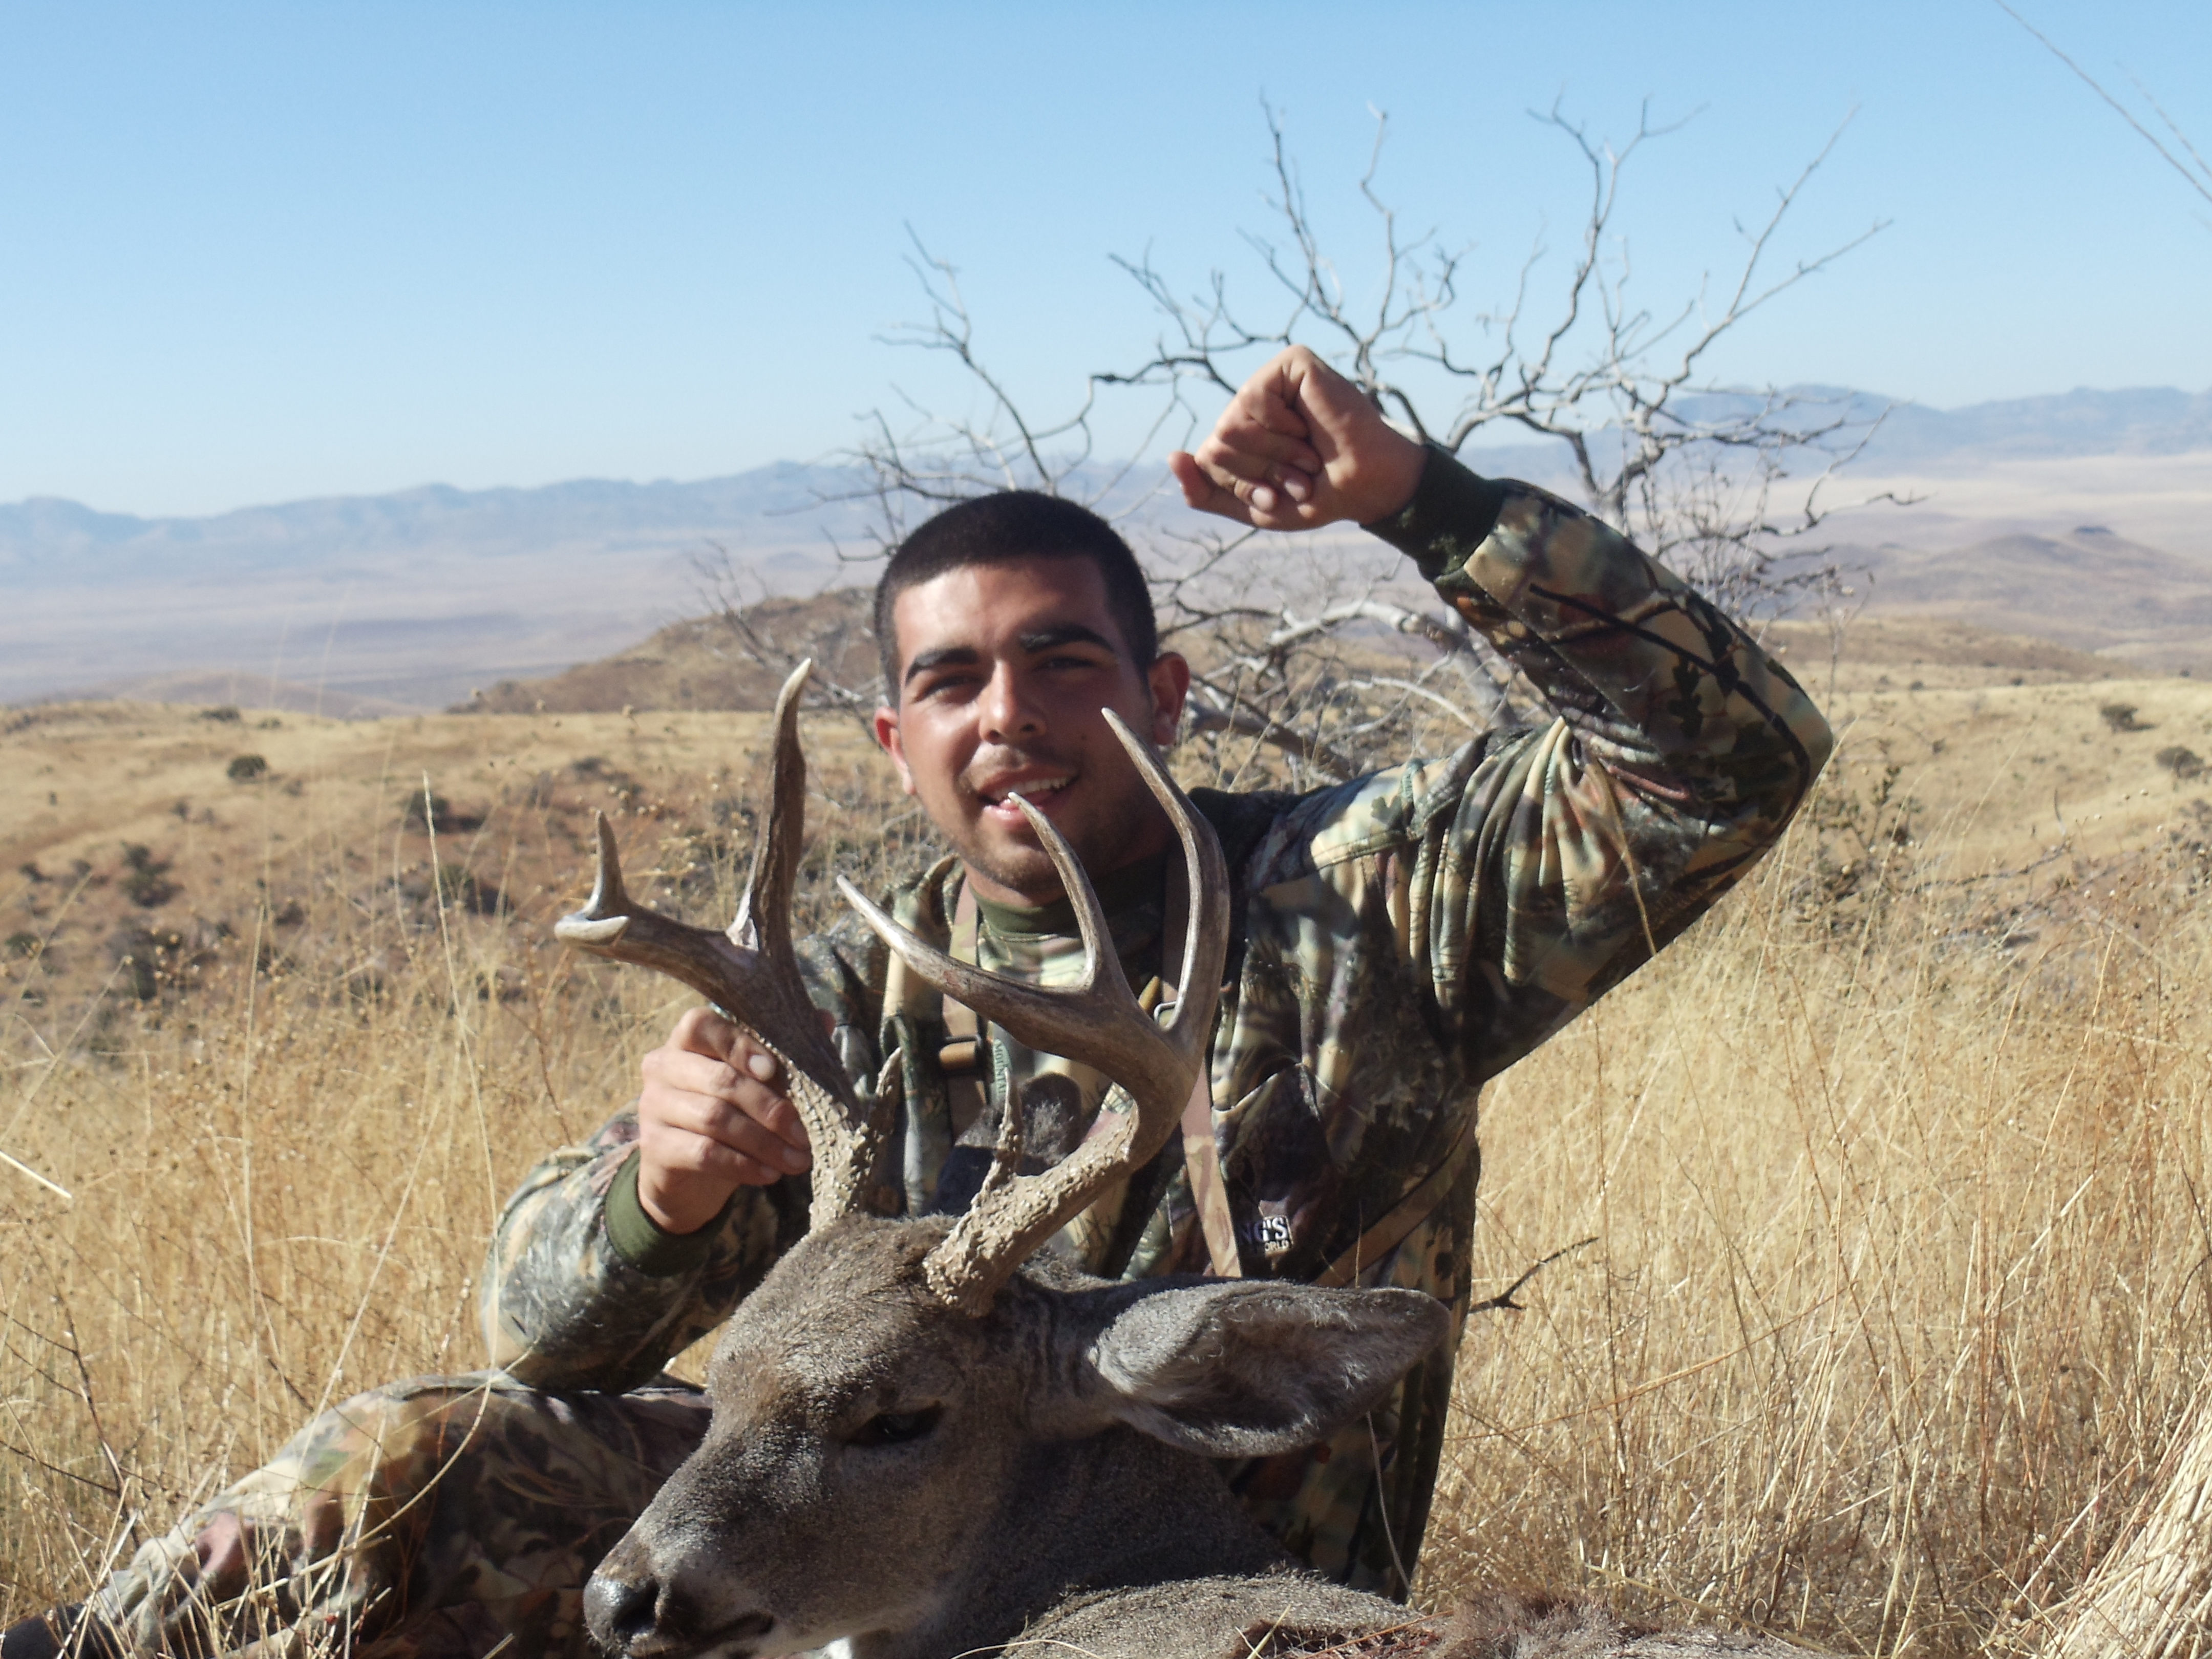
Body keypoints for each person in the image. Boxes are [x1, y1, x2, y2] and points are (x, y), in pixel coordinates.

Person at [5, 347, 1833, 1659]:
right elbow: (541, 1334)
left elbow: (1732, 765)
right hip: (839, 1537)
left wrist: (1427, 504)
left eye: (1062, 659)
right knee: (425, 1457)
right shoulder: (824, 1014)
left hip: (1201, 1596)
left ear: (1167, 695)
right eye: (953, 681)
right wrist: (661, 1198)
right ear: (896, 739)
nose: (1007, 715)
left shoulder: (1382, 900)